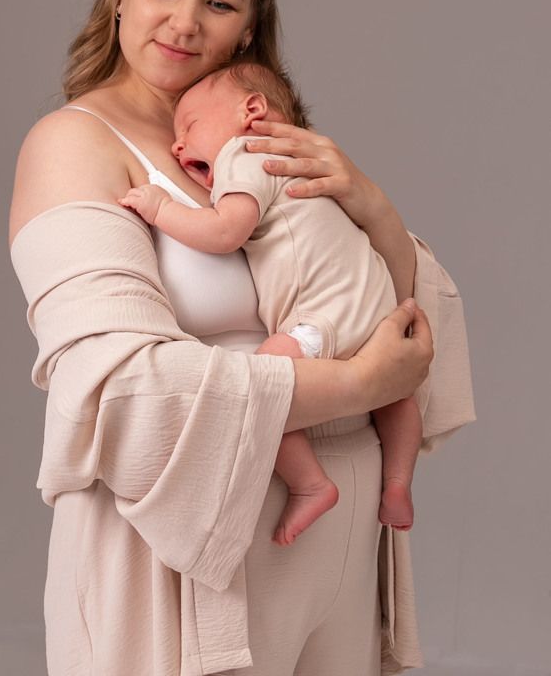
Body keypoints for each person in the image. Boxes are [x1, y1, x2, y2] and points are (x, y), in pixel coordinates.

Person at [9, 0, 474, 676]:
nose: (185, 23)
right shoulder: (72, 145)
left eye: (219, 3)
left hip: (340, 545)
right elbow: (119, 389)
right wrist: (361, 383)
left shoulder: (253, 138)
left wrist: (372, 205)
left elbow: (387, 303)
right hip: (186, 555)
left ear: (250, 25)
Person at [119, 61, 422, 547]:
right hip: (377, 303)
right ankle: (398, 483)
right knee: (396, 395)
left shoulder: (246, 152)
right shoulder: (305, 162)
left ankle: (310, 484)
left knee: (262, 384)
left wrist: (161, 208)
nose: (178, 145)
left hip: (321, 316)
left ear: (253, 111)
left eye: (190, 126)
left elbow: (226, 231)